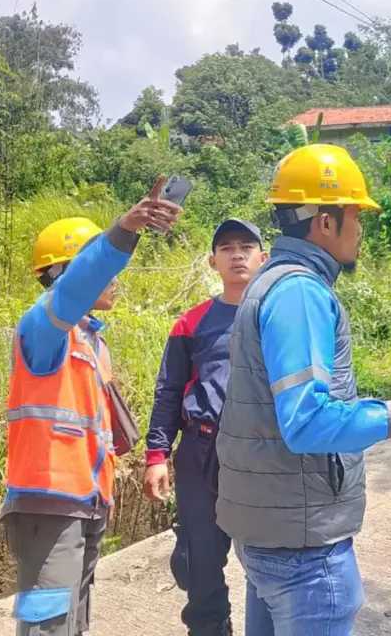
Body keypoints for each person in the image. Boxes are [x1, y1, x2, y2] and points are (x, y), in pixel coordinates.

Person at [215, 144, 391, 636]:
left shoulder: (271, 282)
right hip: (303, 548)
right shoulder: (299, 292)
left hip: (273, 530)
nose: (360, 229)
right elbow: (307, 421)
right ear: (325, 222)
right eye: (356, 216)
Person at [5, 179, 182, 636]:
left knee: (74, 622)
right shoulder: (44, 330)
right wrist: (123, 231)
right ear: (67, 272)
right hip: (49, 502)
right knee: (48, 625)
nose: (115, 280)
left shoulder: (91, 342)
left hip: (86, 501)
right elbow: (74, 288)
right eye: (100, 268)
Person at [143, 218, 268, 636]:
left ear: (263, 258)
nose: (237, 255)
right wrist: (156, 455)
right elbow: (169, 390)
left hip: (260, 452)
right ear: (213, 262)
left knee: (270, 554)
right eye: (226, 248)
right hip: (202, 451)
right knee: (198, 560)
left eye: (246, 247)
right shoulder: (191, 322)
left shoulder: (275, 318)